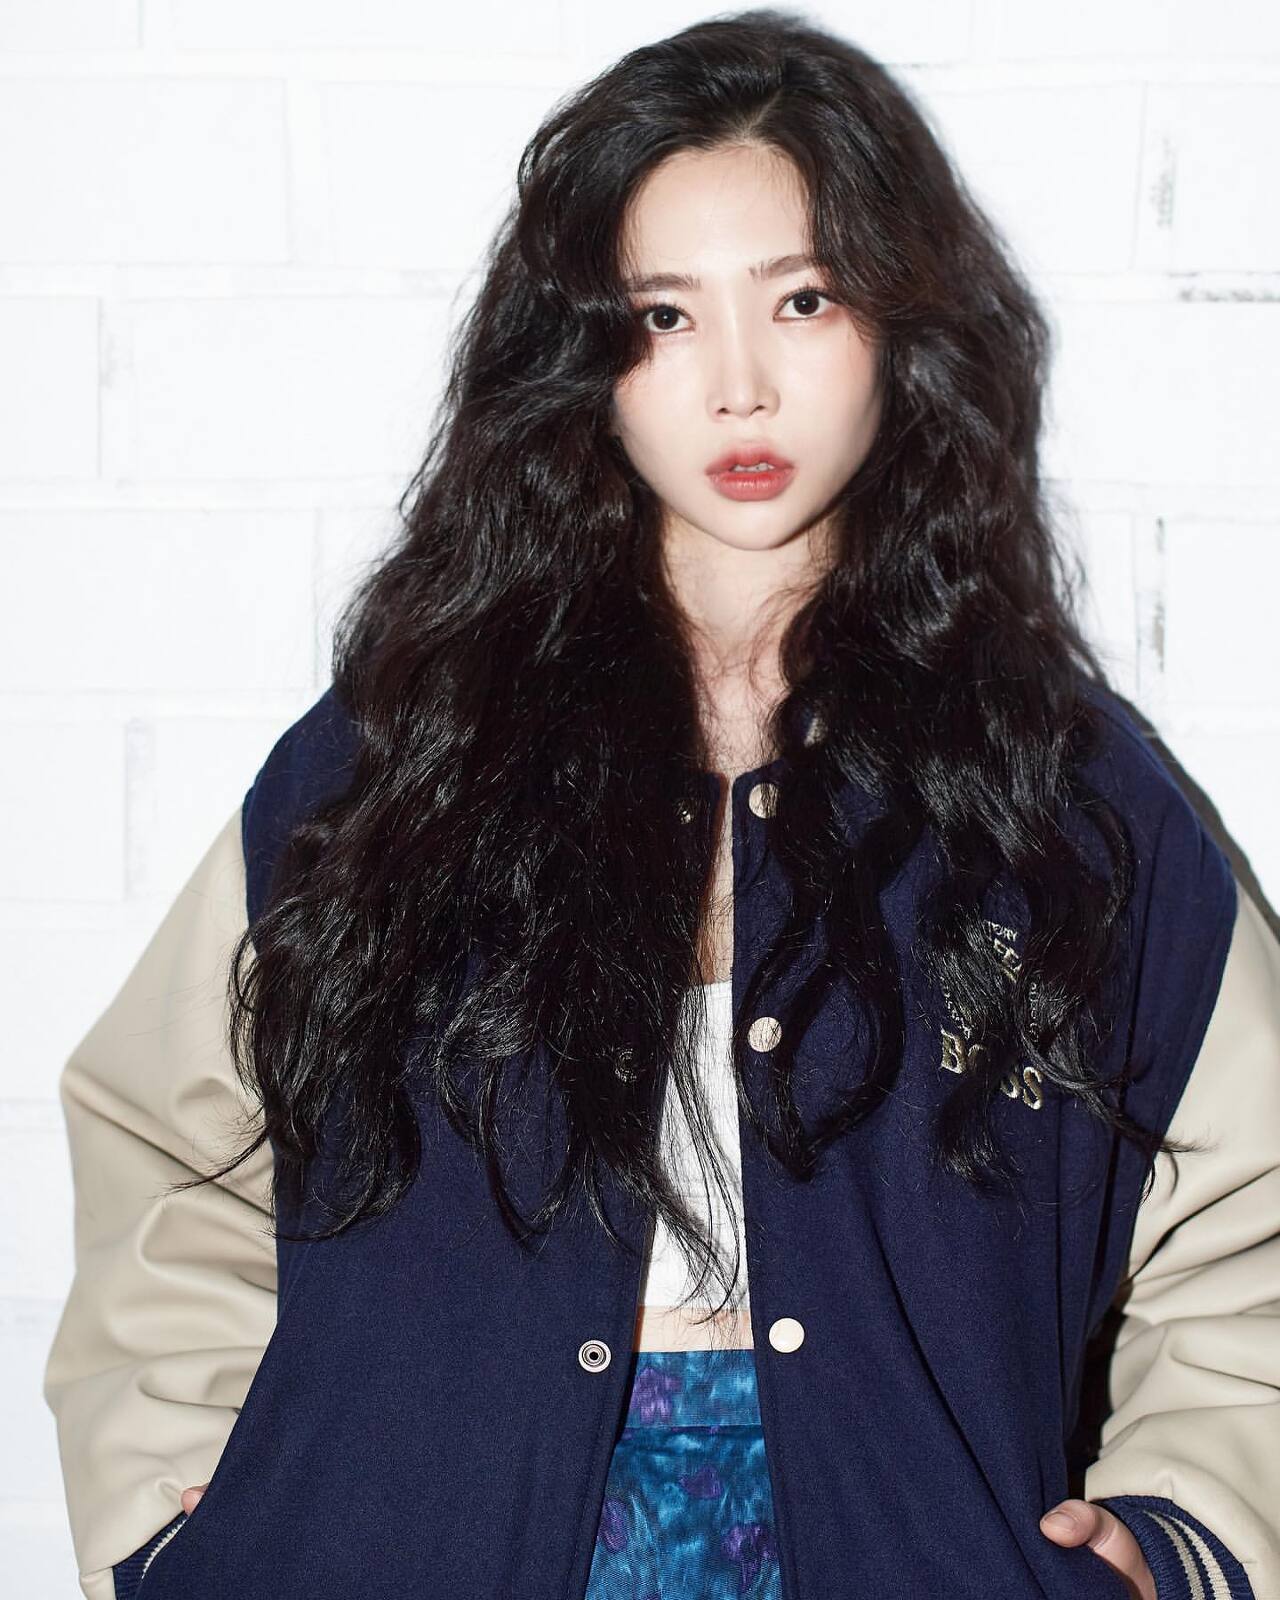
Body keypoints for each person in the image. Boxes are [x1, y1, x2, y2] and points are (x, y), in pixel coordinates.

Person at [43, 10, 1279, 1600]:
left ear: (899, 327)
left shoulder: (1062, 797)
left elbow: (1250, 1210)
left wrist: (1185, 1535)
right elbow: (169, 1142)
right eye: (663, 317)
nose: (740, 387)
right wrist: (178, 1526)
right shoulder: (395, 759)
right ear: (585, 361)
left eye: (803, 300)